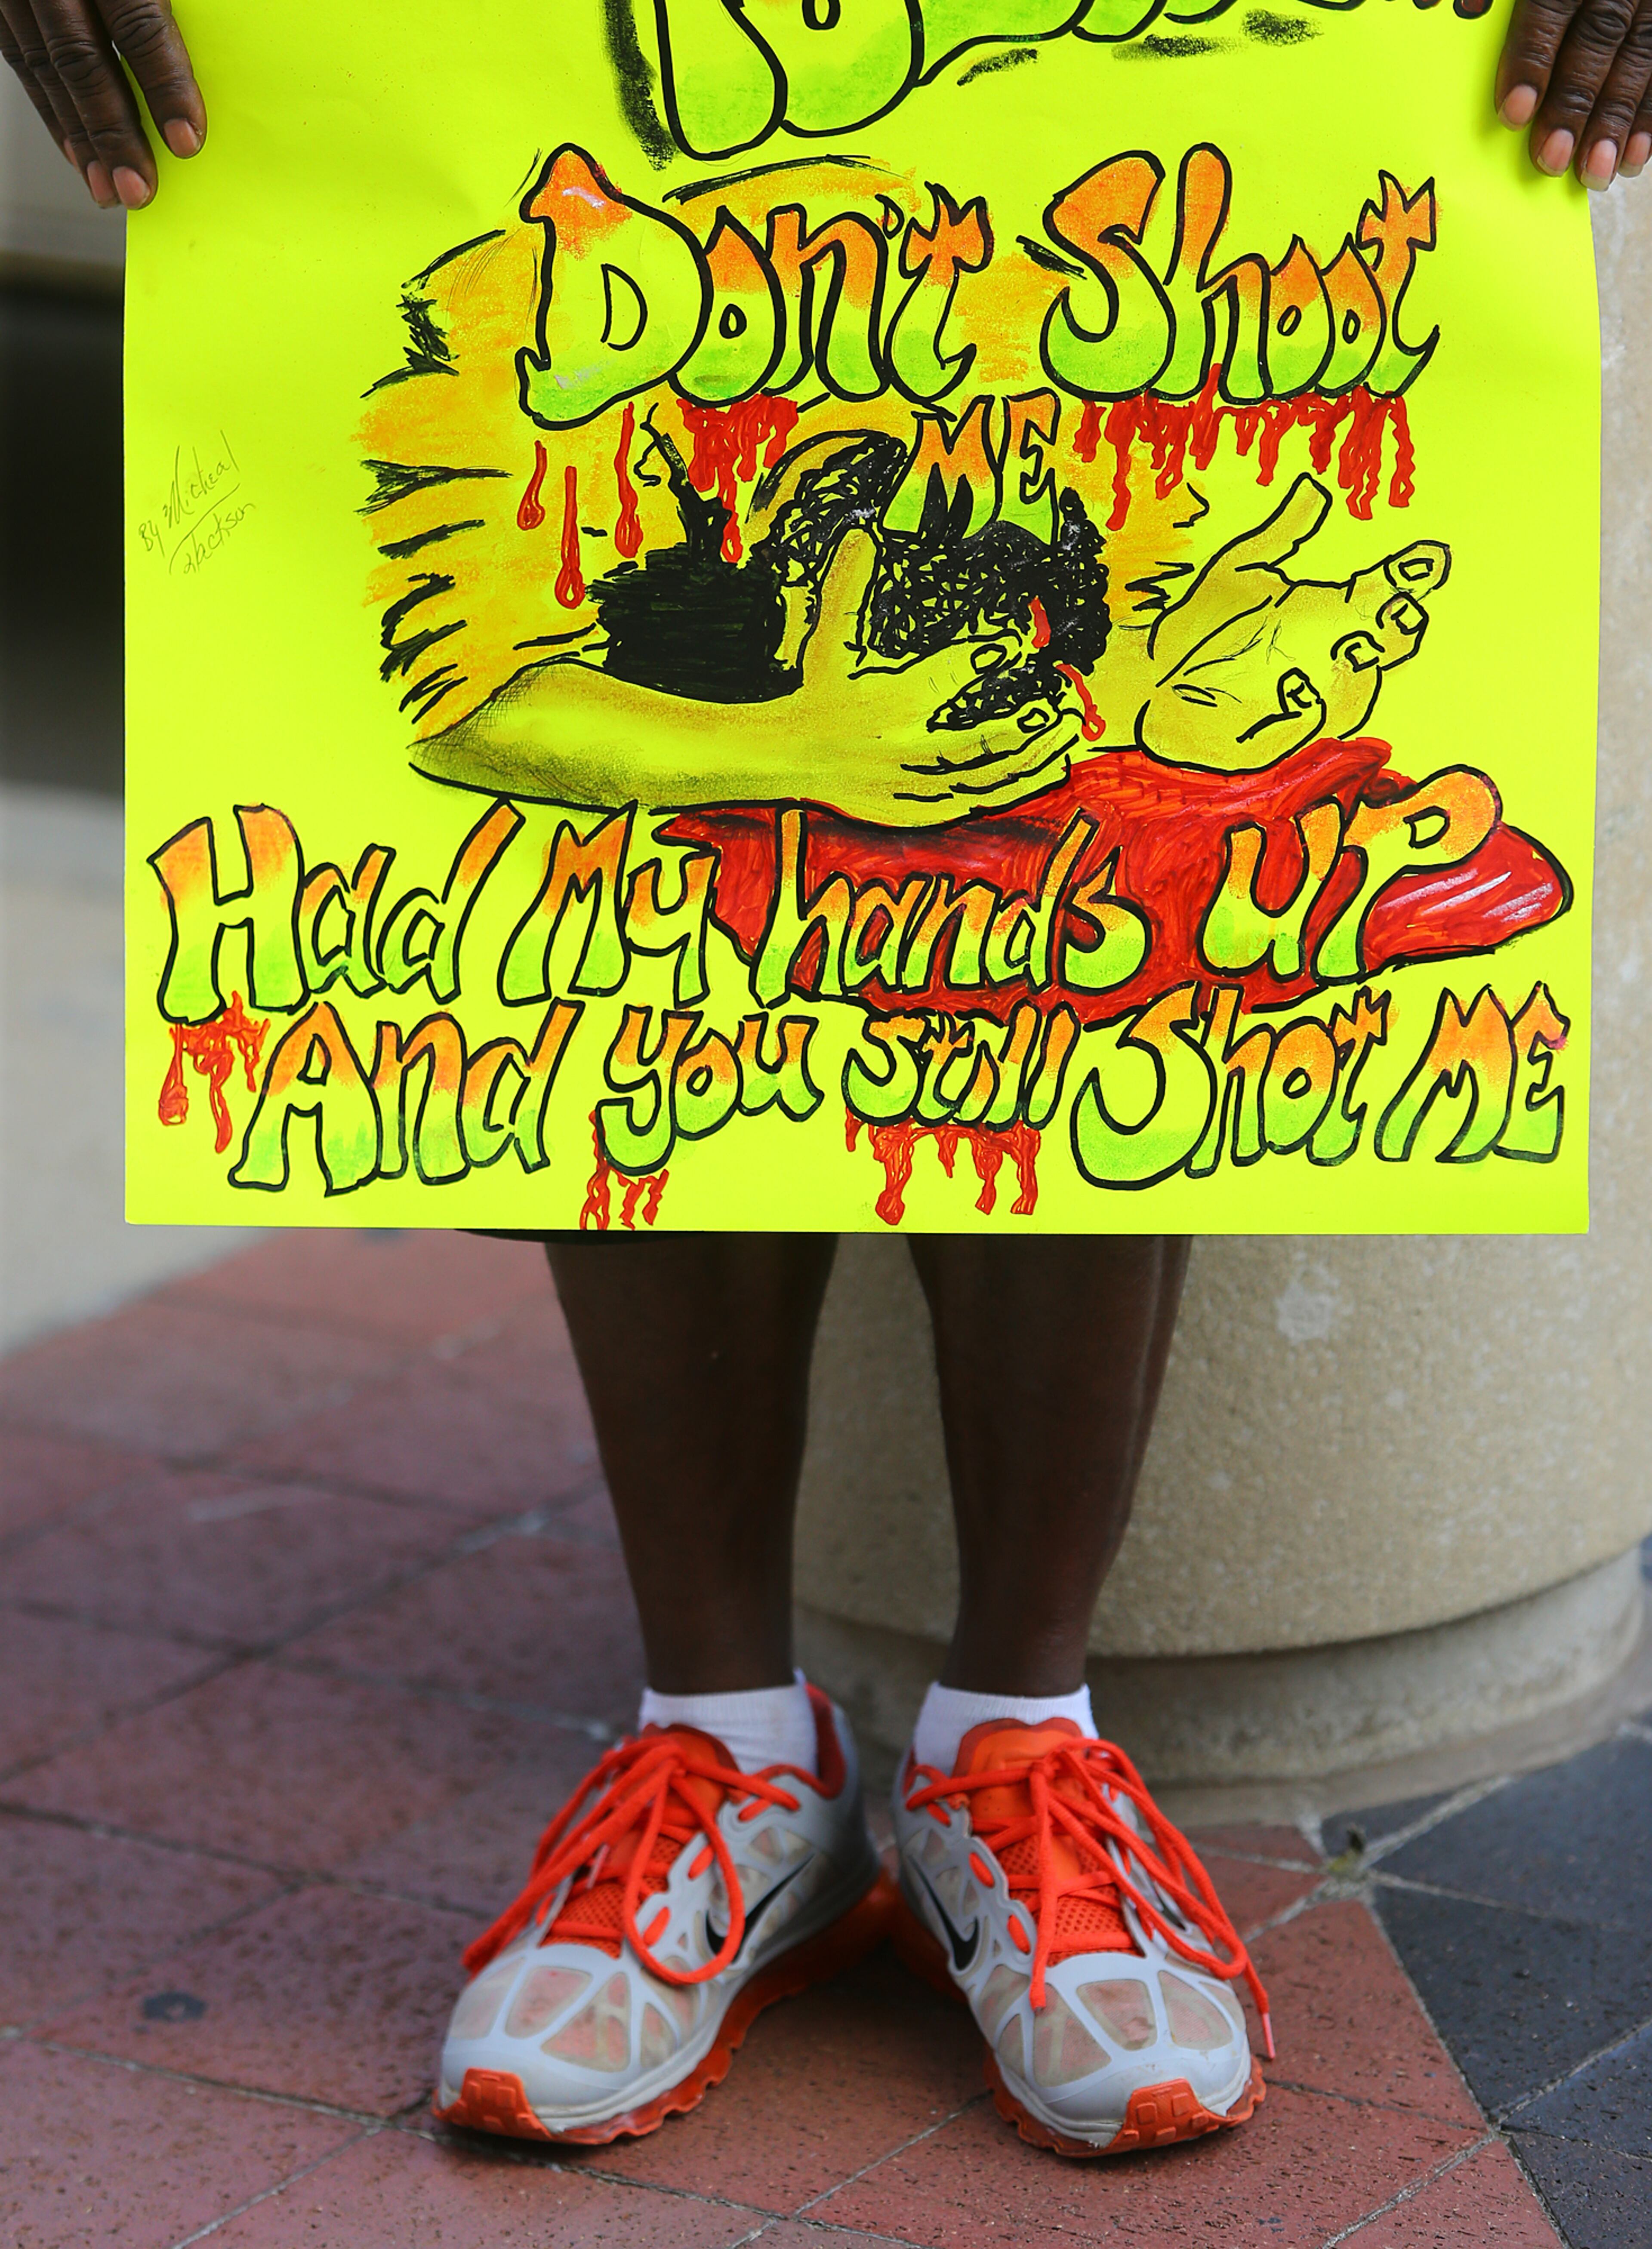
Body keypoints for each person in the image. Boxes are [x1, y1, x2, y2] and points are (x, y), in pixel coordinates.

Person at [5, 0, 1643, 2163]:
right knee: (645, 949)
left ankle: (1014, 1746)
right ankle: (727, 1749)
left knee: (1084, 919)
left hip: (1206, 125)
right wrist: (804, 747)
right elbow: (472, 682)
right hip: (472, 96)